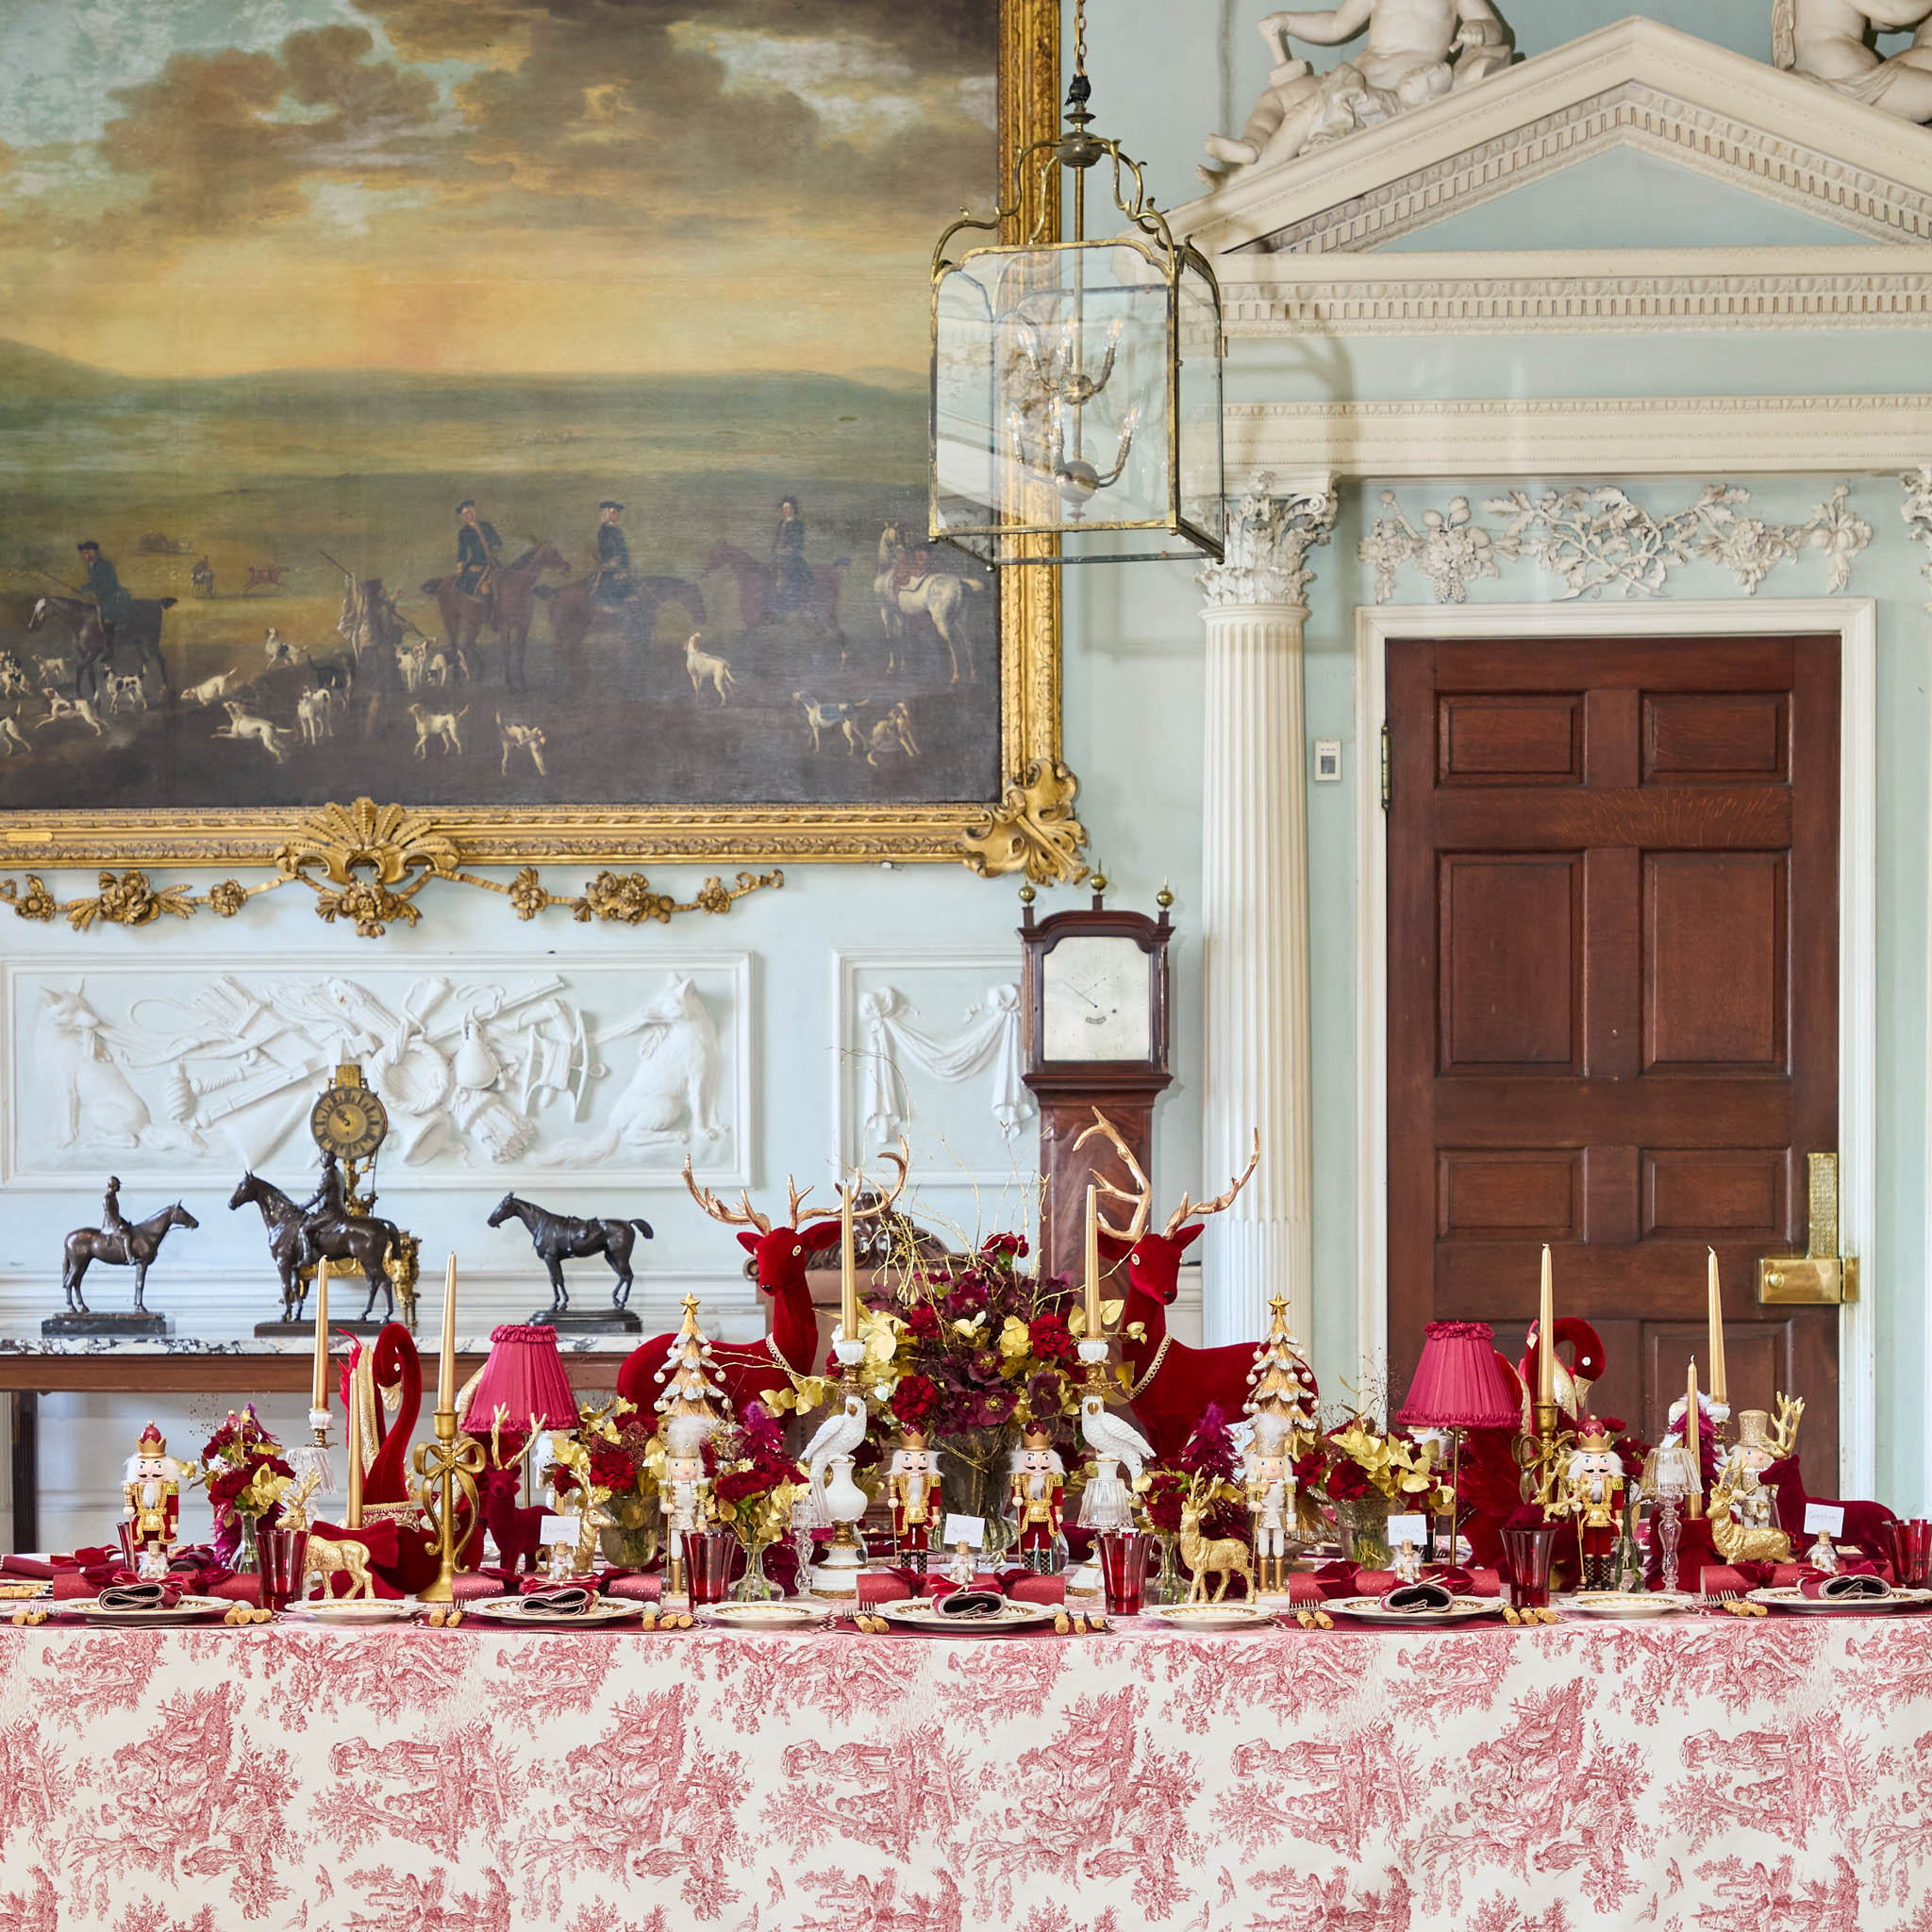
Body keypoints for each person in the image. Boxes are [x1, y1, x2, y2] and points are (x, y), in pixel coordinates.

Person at [76, 541, 132, 658]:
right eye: (84, 553)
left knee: (107, 618)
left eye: (87, 552)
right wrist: (83, 588)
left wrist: (97, 594)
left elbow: (109, 584)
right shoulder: (90, 567)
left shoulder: (106, 565)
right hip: (101, 598)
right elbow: (93, 583)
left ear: (94, 552)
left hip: (113, 597)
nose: (85, 556)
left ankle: (110, 650)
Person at [772, 495, 811, 617]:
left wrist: (785, 552)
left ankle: (792, 606)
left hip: (792, 558)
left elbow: (797, 544)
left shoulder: (798, 524)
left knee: (790, 579)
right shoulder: (781, 523)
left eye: (788, 508)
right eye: (784, 508)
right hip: (778, 558)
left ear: (793, 509)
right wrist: (775, 551)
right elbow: (776, 541)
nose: (786, 510)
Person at [456, 500, 502, 599]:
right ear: (462, 517)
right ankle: (486, 610)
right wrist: (460, 565)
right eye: (466, 514)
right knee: (483, 587)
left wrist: (496, 546)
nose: (469, 515)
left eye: (471, 512)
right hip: (477, 563)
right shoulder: (464, 532)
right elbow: (462, 551)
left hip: (492, 561)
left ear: (475, 512)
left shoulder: (486, 525)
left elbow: (497, 540)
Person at [591, 500, 634, 605]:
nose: (617, 515)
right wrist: (613, 562)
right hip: (611, 566)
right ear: (607, 513)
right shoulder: (603, 531)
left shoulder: (617, 530)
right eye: (614, 512)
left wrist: (625, 563)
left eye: (617, 512)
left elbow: (623, 549)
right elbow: (605, 550)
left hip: (621, 564)